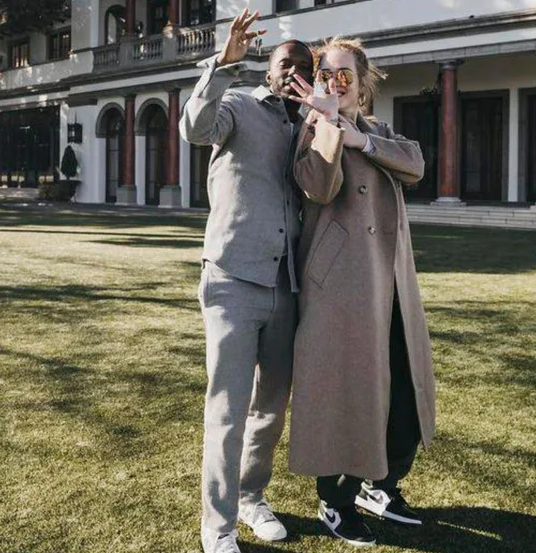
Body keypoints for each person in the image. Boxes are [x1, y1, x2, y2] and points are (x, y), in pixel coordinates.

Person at [285, 37, 437, 547]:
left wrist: (362, 141)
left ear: (362, 80)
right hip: (340, 287)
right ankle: (336, 499)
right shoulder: (310, 131)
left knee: (401, 384)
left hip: (391, 281)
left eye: (345, 75)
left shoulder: (379, 131)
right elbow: (318, 188)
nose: (335, 83)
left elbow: (415, 164)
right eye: (327, 75)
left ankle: (384, 484)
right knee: (344, 388)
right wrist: (329, 125)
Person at [178, 9, 315, 553]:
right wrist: (222, 65)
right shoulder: (236, 105)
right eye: (287, 63)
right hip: (232, 279)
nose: (294, 72)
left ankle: (252, 498)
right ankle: (219, 526)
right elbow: (194, 127)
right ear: (269, 68)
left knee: (271, 406)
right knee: (229, 409)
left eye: (305, 66)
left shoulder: (308, 124)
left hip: (287, 285)